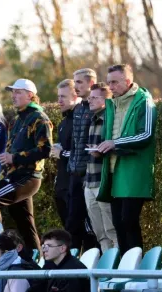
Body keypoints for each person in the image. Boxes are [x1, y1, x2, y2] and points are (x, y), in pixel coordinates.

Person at [0, 79, 52, 253]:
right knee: (25, 225)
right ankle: (36, 263)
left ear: (30, 95)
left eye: (18, 92)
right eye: (12, 92)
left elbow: (46, 149)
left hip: (28, 176)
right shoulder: (17, 119)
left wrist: (14, 157)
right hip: (15, 175)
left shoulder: (39, 118)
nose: (13, 96)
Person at [96, 64, 157, 253]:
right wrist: (101, 148)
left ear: (128, 81)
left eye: (114, 82)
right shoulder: (113, 103)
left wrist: (115, 143)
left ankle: (136, 271)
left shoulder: (144, 101)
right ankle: (124, 270)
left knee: (129, 221)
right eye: (109, 83)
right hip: (114, 170)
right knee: (118, 224)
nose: (111, 87)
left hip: (133, 171)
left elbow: (146, 134)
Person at [66, 68, 98, 252]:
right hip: (74, 173)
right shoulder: (78, 109)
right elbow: (75, 143)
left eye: (79, 82)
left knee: (90, 224)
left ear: (91, 84)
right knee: (72, 222)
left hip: (90, 174)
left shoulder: (100, 108)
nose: (75, 86)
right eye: (74, 82)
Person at [85, 83, 118, 253]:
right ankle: (107, 270)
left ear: (106, 100)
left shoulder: (111, 120)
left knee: (112, 229)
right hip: (89, 182)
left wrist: (101, 152)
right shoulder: (92, 119)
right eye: (89, 97)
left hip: (103, 181)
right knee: (99, 232)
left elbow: (117, 148)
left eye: (94, 97)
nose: (89, 100)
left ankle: (120, 268)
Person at [51, 79, 77, 227]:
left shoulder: (78, 120)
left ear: (75, 97)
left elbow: (80, 153)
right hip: (61, 184)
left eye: (63, 97)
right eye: (58, 96)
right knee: (67, 229)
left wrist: (61, 153)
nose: (59, 100)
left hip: (73, 185)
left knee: (80, 231)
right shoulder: (63, 122)